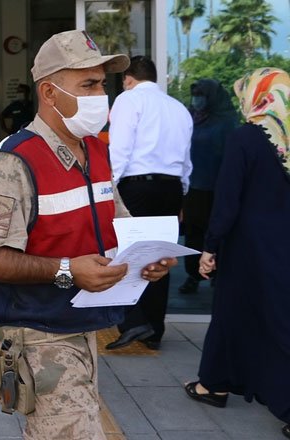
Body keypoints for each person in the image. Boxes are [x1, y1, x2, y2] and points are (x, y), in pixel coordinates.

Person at [0, 30, 175, 439]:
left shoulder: (94, 149)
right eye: (88, 85)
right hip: (40, 335)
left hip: (81, 326)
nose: (101, 95)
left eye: (102, 84)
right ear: (50, 92)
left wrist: (147, 255)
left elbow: (118, 223)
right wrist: (67, 271)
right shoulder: (12, 162)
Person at [184, 67, 290, 440]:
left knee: (267, 320)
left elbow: (227, 199)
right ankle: (214, 382)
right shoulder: (287, 140)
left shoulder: (247, 137)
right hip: (281, 245)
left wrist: (210, 246)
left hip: (250, 248)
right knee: (235, 313)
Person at [105, 55, 192, 351]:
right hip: (171, 187)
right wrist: (182, 195)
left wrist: (109, 188)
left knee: (125, 252)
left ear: (128, 78)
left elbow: (120, 147)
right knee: (160, 258)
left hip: (137, 186)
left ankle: (132, 322)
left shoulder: (128, 100)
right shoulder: (179, 108)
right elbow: (186, 159)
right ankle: (154, 330)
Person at [177, 79, 238, 294]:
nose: (197, 99)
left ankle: (217, 274)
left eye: (201, 95)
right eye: (195, 94)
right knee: (193, 233)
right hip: (194, 187)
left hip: (218, 187)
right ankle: (193, 275)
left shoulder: (227, 121)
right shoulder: (191, 118)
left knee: (218, 233)